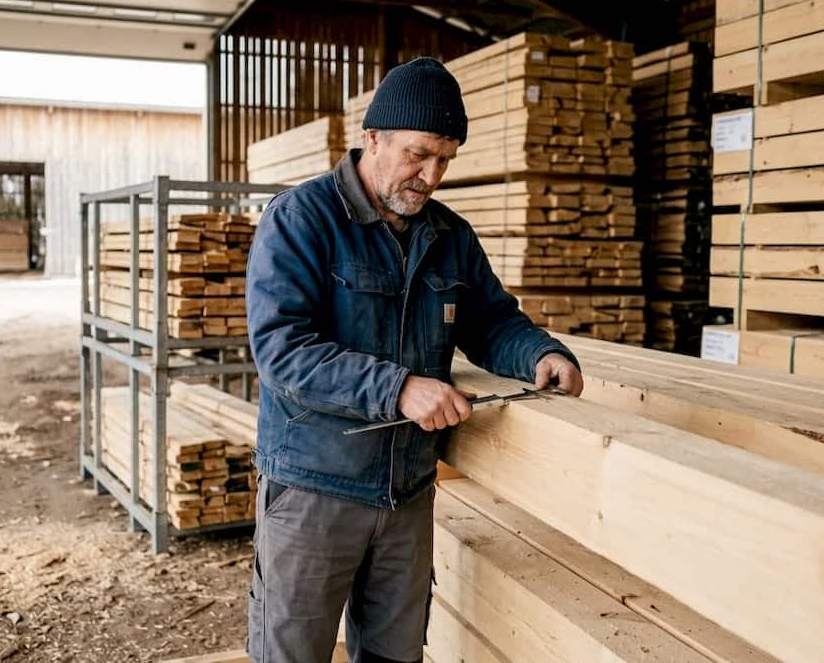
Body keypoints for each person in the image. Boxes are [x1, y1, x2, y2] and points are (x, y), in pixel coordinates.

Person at [245, 57, 584, 663]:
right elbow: (282, 350)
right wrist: (398, 388)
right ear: (373, 138)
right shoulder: (301, 220)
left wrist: (540, 352)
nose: (431, 176)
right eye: (419, 154)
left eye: (445, 160)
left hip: (406, 496)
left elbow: (491, 321)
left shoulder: (450, 235)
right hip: (313, 490)